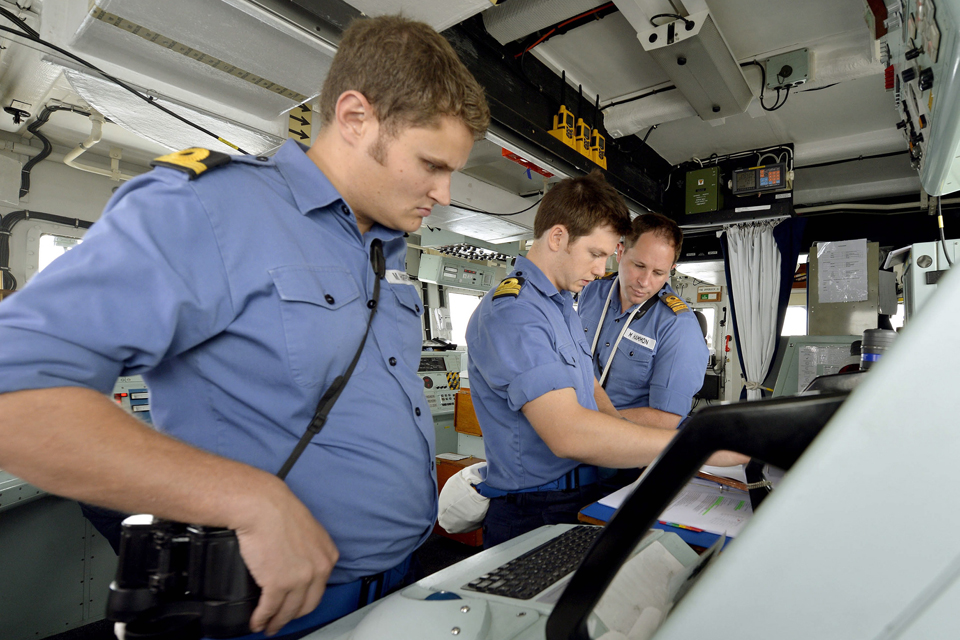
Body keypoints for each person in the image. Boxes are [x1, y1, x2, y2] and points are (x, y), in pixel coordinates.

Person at [0, 15, 489, 639]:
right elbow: (15, 390)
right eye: (431, 164)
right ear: (356, 116)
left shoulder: (383, 248)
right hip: (267, 610)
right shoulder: (210, 208)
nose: (445, 194)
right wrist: (247, 500)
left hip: (400, 584)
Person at [466, 171, 744, 548]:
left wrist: (634, 443)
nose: (601, 270)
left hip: (586, 490)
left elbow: (590, 385)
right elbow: (568, 434)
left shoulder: (561, 303)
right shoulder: (516, 313)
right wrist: (694, 447)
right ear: (558, 237)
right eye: (596, 254)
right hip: (536, 507)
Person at [578, 213, 709, 431]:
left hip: (624, 449)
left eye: (659, 273)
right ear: (620, 252)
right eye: (639, 265)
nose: (644, 282)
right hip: (570, 433)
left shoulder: (679, 326)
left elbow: (667, 419)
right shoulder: (592, 291)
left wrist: (590, 422)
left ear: (671, 270)